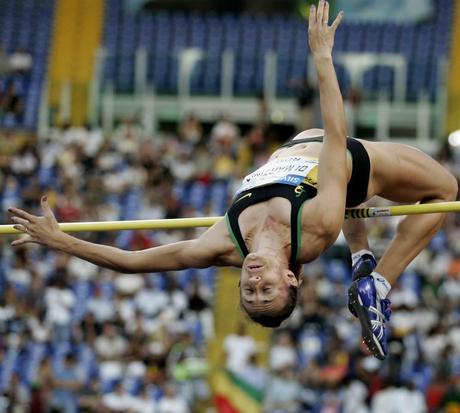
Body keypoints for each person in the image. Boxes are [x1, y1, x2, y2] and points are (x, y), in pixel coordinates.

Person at [8, 1, 457, 360]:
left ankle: (362, 258)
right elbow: (337, 137)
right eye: (267, 288)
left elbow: (131, 262)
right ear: (292, 279)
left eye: (249, 290)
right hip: (348, 158)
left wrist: (62, 241)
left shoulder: (221, 245)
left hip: (303, 149)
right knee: (444, 191)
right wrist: (323, 57)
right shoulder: (316, 231)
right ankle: (378, 281)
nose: (254, 280)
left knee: (347, 202)